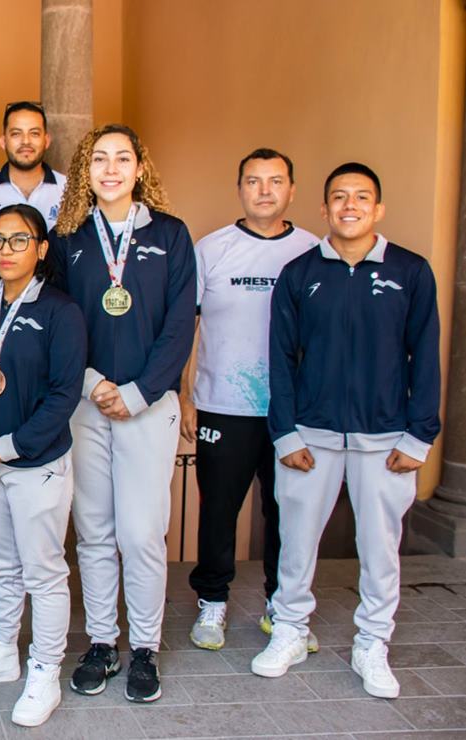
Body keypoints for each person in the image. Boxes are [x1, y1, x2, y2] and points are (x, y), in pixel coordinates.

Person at [252, 163, 440, 699]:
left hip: (386, 439)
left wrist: (419, 436)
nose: (349, 205)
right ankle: (288, 630)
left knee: (380, 546)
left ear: (377, 208)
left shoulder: (411, 272)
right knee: (295, 542)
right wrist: (285, 433)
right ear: (323, 208)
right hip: (311, 435)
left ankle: (372, 643)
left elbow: (425, 358)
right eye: (339, 197)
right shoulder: (300, 273)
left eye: (362, 197)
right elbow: (280, 359)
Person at [51, 123, 196, 703]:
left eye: (122, 158)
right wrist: (91, 383)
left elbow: (180, 323)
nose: (111, 169)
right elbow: (61, 320)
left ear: (140, 168)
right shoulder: (68, 237)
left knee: (140, 533)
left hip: (149, 406)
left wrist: (137, 392)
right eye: (99, 159)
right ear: (85, 172)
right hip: (86, 405)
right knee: (94, 531)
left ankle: (145, 649)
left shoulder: (172, 234)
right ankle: (103, 643)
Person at [0, 205, 86, 727]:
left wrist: (6, 446)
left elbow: (64, 395)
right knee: (0, 567)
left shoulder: (60, 311)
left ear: (42, 248)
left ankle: (45, 670)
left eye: (19, 240)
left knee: (44, 572)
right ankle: (2, 653)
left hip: (35, 464)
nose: (6, 251)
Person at [181, 149, 320, 652]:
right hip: (223, 405)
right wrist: (186, 397)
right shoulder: (212, 249)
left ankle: (282, 610)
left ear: (292, 190)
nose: (264, 190)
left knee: (289, 512)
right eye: (254, 181)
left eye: (275, 181)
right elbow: (187, 328)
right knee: (219, 510)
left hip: (294, 413)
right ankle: (212, 604)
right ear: (239, 188)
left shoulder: (314, 251)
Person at [0, 101, 67, 226]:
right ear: (3, 142)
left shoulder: (68, 189)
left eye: (34, 133)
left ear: (46, 141)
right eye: (16, 134)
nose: (26, 141)